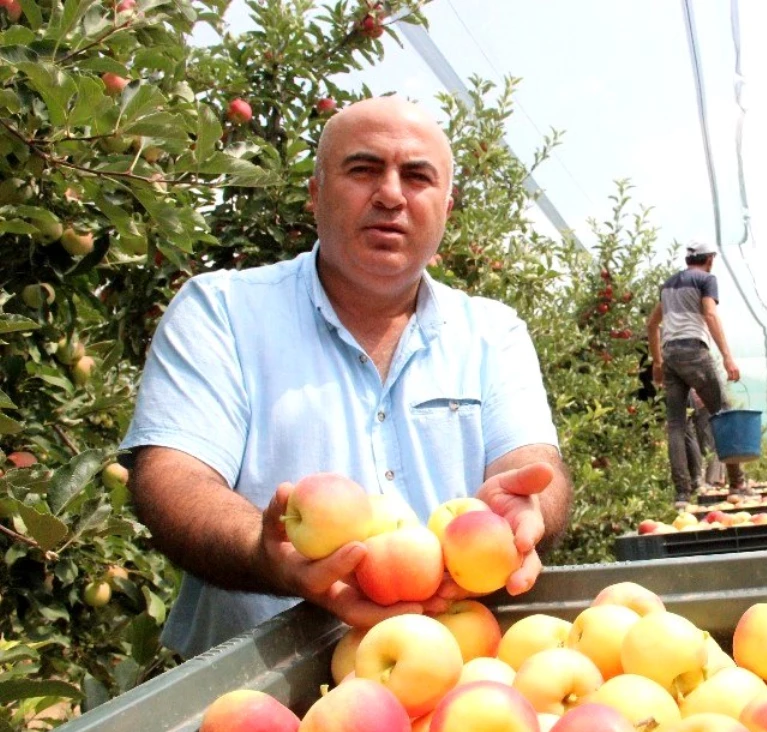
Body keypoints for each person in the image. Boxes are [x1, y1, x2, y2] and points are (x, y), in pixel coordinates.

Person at [121, 97, 572, 659]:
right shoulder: (222, 312)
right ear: (315, 195)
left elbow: (533, 469)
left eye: (417, 176)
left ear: (446, 208)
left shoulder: (492, 332)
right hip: (256, 690)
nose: (390, 194)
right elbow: (174, 478)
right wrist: (266, 554)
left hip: (451, 676)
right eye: (362, 170)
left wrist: (530, 510)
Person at [647, 239, 743, 507]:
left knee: (676, 425)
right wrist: (727, 357)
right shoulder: (706, 279)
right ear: (709, 259)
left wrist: (657, 363)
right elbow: (710, 315)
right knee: (724, 414)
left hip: (670, 355)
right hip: (694, 350)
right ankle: (737, 484)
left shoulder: (668, 285)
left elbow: (651, 324)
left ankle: (682, 494)